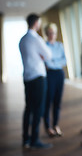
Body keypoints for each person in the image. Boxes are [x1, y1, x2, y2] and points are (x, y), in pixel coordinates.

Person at [19, 13, 52, 149]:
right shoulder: (36, 39)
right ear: (36, 23)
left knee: (28, 109)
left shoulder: (22, 40)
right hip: (38, 78)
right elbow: (48, 56)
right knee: (38, 109)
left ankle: (26, 139)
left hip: (27, 77)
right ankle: (35, 140)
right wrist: (42, 56)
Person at [43, 23, 66, 137]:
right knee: (48, 100)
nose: (52, 35)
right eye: (50, 33)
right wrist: (55, 63)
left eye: (54, 33)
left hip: (59, 74)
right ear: (47, 34)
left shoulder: (60, 45)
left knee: (57, 101)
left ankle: (56, 125)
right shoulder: (44, 46)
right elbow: (47, 63)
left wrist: (53, 63)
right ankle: (48, 127)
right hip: (49, 75)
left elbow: (64, 61)